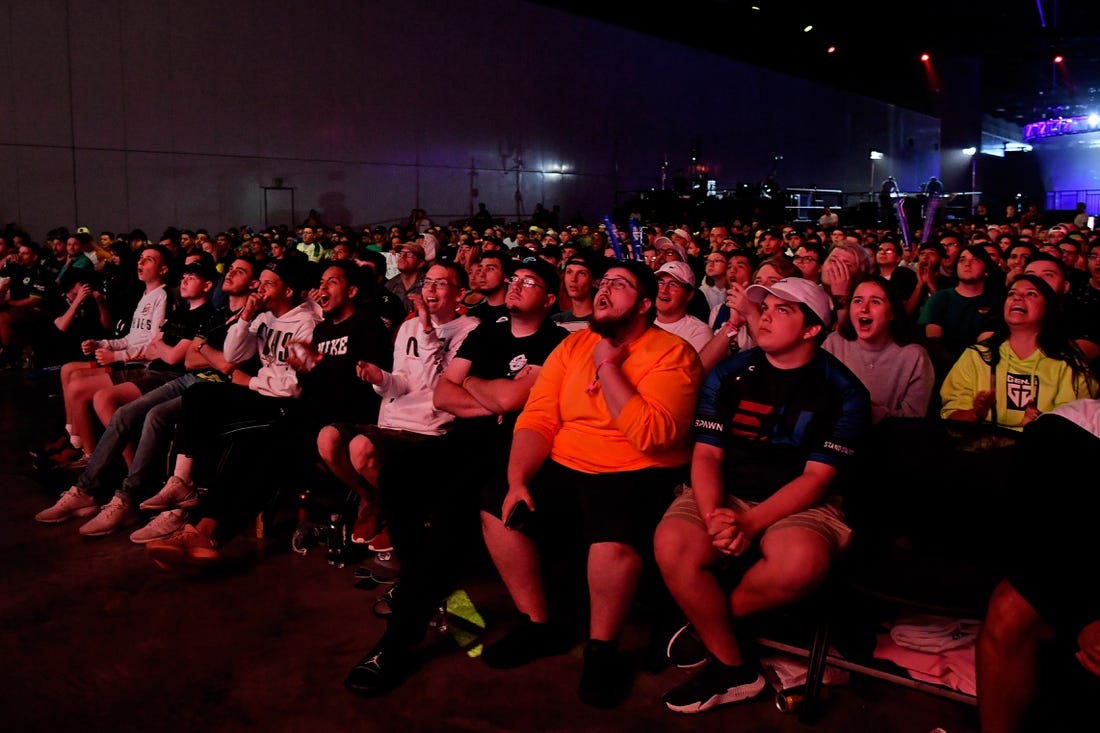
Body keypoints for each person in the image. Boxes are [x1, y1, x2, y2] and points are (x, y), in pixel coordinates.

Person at [474, 259, 701, 709]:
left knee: (610, 539)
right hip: (568, 460)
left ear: (644, 304)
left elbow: (651, 435)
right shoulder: (574, 345)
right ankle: (538, 624)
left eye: (619, 285)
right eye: (604, 282)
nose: (604, 289)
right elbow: (539, 416)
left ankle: (602, 649)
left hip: (637, 467)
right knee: (494, 505)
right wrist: (517, 479)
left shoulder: (673, 354)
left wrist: (608, 367)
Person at [342, 258, 563, 698]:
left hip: (514, 450)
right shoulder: (488, 331)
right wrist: (495, 396)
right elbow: (445, 393)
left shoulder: (557, 343)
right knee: (399, 475)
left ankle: (399, 641)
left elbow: (515, 398)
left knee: (449, 514)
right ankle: (421, 582)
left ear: (550, 299)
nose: (517, 285)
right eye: (515, 279)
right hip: (464, 439)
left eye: (529, 282)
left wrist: (480, 387)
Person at [653, 276, 870, 714]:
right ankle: (734, 667)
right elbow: (708, 456)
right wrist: (715, 515)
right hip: (727, 490)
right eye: (764, 308)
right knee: (673, 541)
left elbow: (816, 479)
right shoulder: (730, 373)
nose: (765, 315)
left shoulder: (844, 391)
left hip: (801, 500)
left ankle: (712, 622)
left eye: (782, 310)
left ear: (813, 330)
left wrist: (750, 524)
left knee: (800, 561)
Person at [34, 257, 261, 538]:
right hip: (187, 377)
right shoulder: (218, 315)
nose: (230, 273)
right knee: (123, 413)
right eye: (230, 268)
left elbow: (226, 362)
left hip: (209, 387)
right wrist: (207, 355)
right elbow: (189, 360)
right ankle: (85, 489)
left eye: (239, 271)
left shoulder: (247, 318)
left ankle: (129, 497)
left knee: (150, 413)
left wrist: (205, 352)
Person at [142, 258, 322, 569]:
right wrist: (247, 317)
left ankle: (200, 529)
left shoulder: (305, 323)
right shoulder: (263, 316)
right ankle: (184, 486)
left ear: (288, 290)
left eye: (268, 283)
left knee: (249, 445)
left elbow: (294, 386)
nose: (259, 288)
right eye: (260, 281)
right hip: (258, 394)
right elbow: (233, 356)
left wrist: (250, 380)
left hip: (283, 405)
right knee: (199, 396)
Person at [317, 260, 477, 551]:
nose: (430, 288)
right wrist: (380, 378)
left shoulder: (470, 331)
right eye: (427, 282)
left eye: (440, 283)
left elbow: (443, 385)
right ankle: (375, 500)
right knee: (328, 439)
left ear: (460, 293)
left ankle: (404, 515)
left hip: (430, 426)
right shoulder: (408, 327)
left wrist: (428, 331)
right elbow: (403, 381)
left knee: (360, 448)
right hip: (392, 419)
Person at [976, 398, 1100, 733]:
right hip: (1084, 575)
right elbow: (1033, 539)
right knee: (1011, 607)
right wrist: (1086, 616)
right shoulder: (1067, 428)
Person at [939, 273, 1097, 432]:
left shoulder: (1068, 363)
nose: (1018, 298)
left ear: (1047, 309)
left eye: (1031, 294)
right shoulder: (977, 355)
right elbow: (951, 417)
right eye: (1012, 294)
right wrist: (976, 413)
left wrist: (1039, 425)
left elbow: (1077, 425)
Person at [824, 274, 934, 423]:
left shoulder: (915, 357)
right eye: (857, 301)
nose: (864, 308)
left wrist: (869, 413)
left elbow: (914, 419)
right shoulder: (833, 343)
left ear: (892, 313)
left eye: (875, 302)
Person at [653, 261, 712, 353]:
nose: (664, 290)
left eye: (673, 284)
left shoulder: (698, 332)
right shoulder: (641, 322)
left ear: (689, 295)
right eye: (660, 283)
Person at [550, 250, 602, 333]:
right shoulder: (556, 321)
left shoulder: (603, 321)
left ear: (593, 281)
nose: (573, 279)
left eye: (581, 273)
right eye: (569, 272)